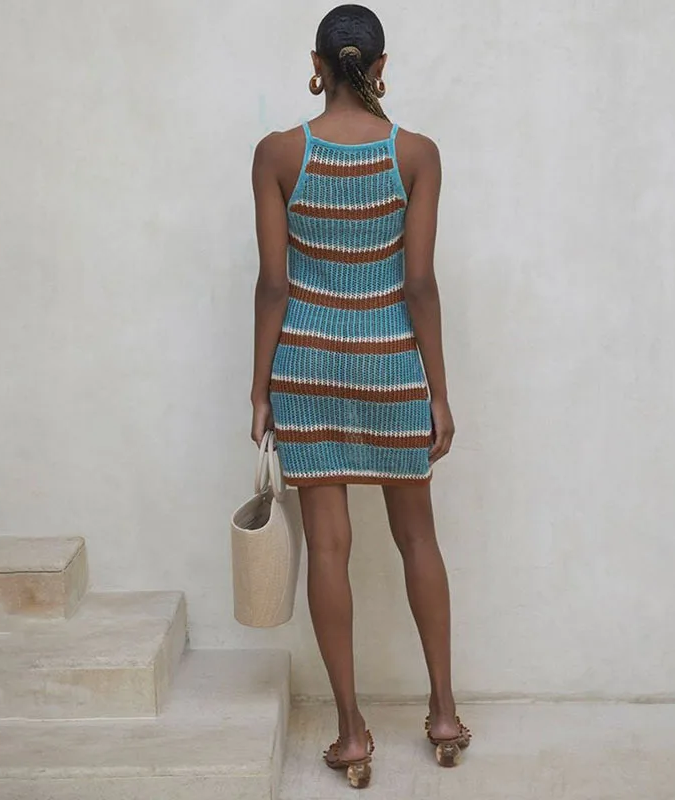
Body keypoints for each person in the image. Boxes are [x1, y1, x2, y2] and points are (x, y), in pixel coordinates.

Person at [250, 4, 470, 788]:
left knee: (329, 550)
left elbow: (274, 284)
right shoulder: (416, 155)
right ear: (380, 67)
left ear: (317, 65)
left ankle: (351, 735)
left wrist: (259, 389)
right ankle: (442, 715)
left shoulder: (278, 154)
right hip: (390, 369)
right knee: (419, 541)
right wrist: (437, 392)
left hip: (307, 372)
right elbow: (419, 283)